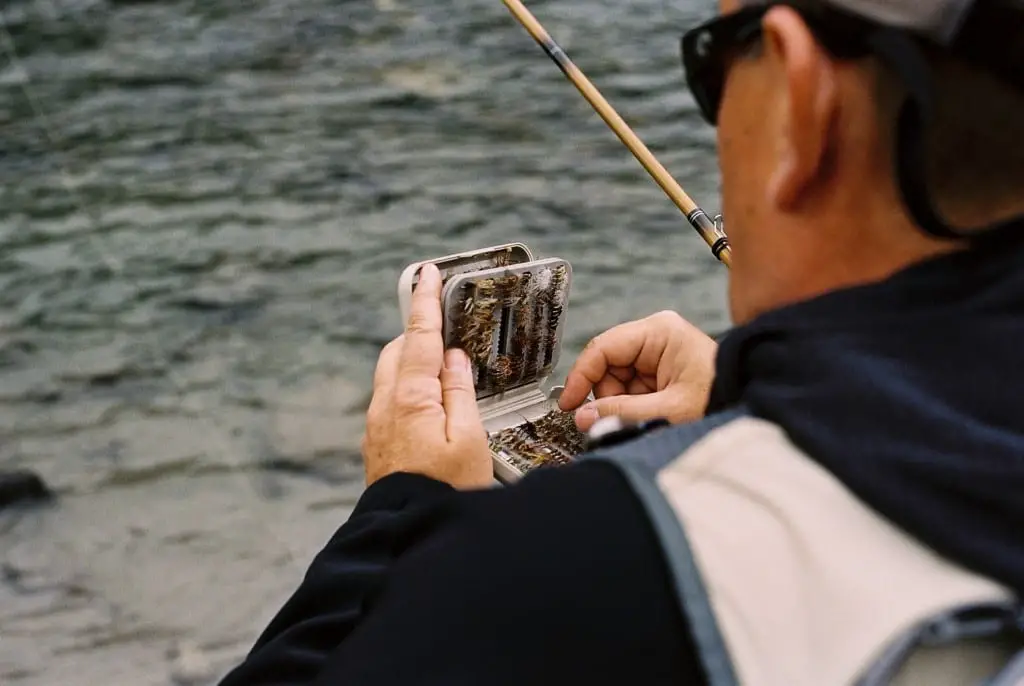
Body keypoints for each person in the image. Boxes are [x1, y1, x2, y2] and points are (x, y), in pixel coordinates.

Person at [219, 0, 1024, 684]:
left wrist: (400, 510)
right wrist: (752, 407)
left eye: (713, 66)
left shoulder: (561, 584)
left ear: (801, 103)